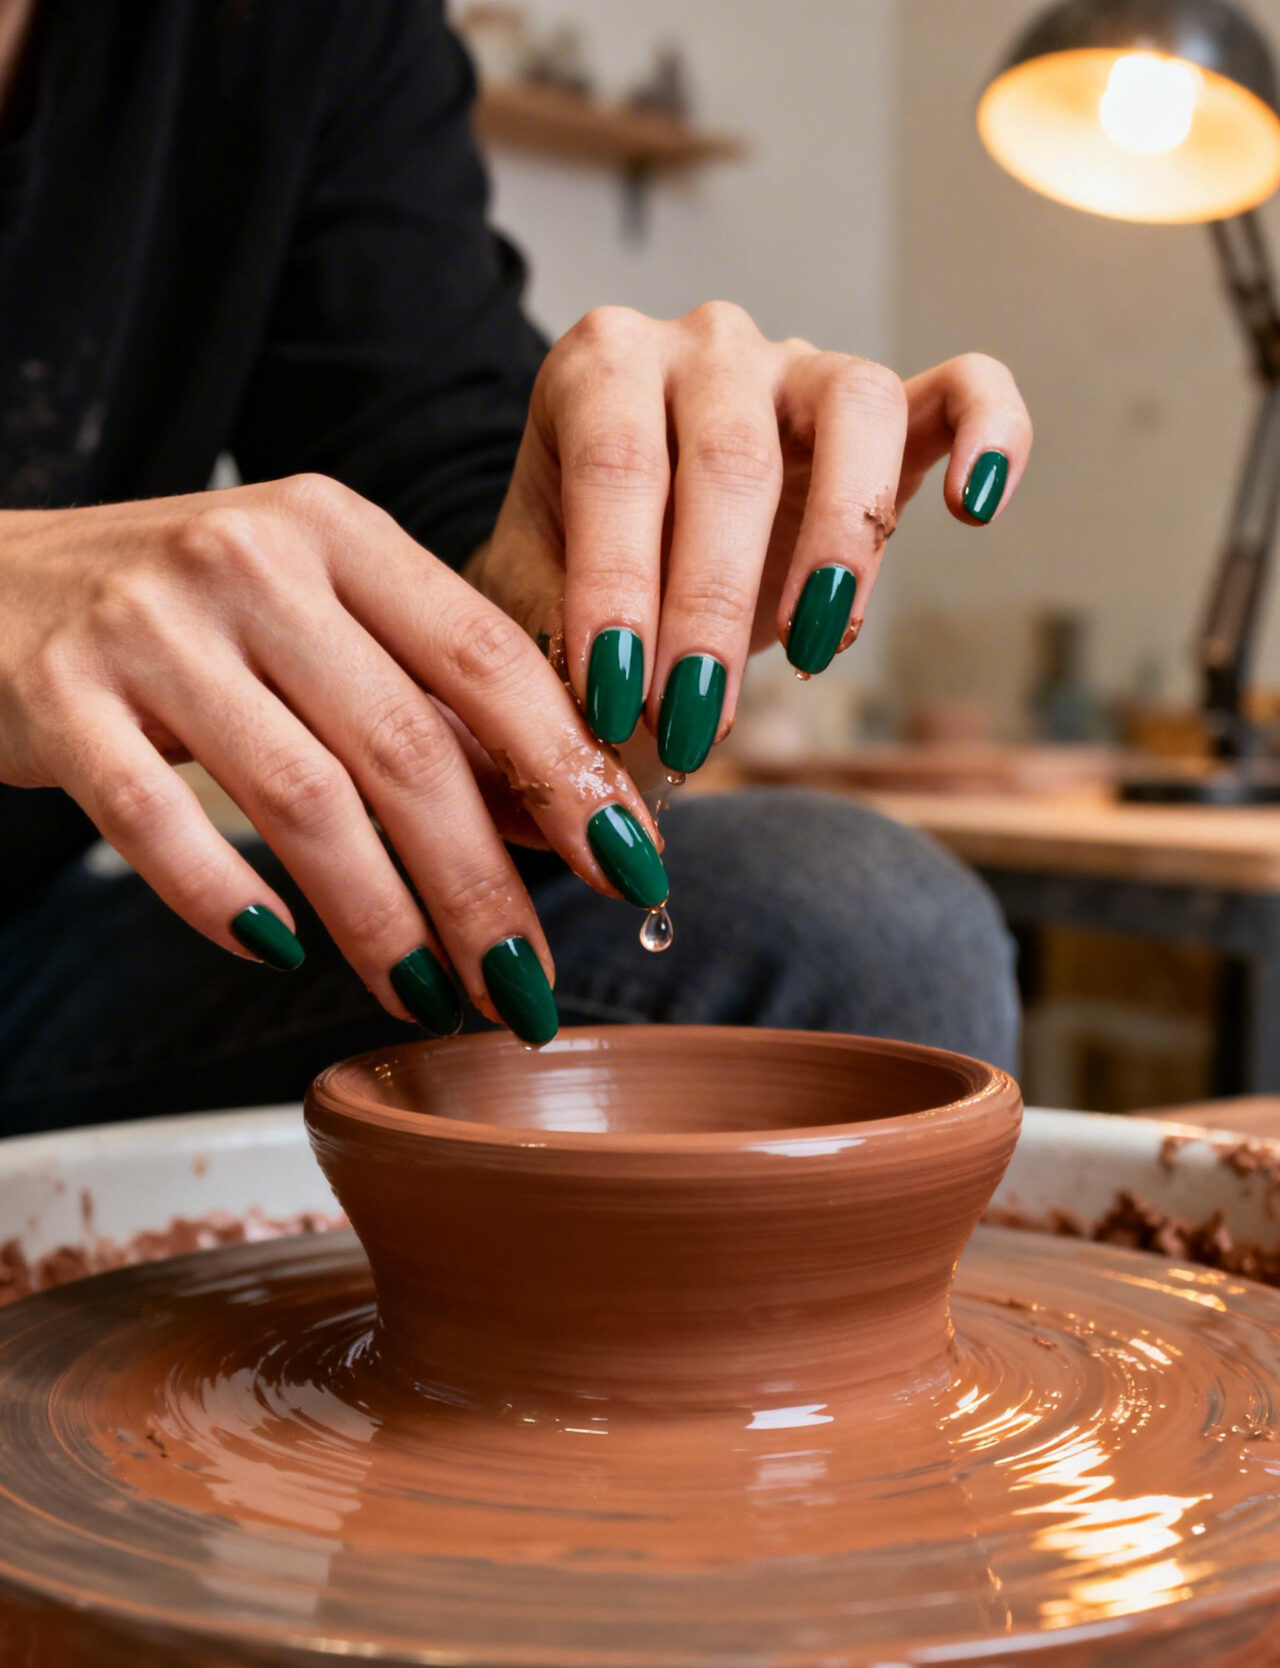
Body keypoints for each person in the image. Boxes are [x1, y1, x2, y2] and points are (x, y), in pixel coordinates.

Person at [0, 0, 1031, 1138]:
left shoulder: (303, 31)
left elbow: (444, 537)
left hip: (30, 959)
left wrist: (612, 588)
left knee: (865, 921)